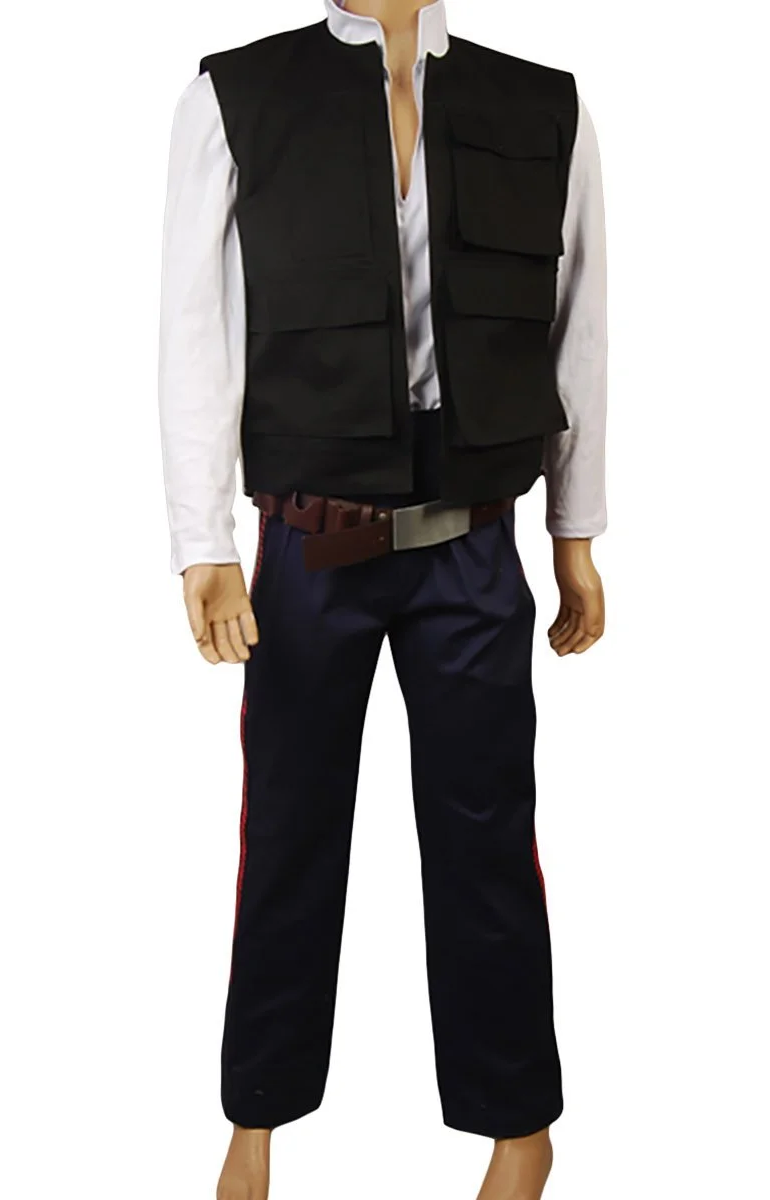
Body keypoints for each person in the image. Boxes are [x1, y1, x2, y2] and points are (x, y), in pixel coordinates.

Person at [158, 1, 607, 1195]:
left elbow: (579, 328)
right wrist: (202, 541)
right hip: (310, 544)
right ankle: (257, 1114)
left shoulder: (543, 104)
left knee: (485, 832)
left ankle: (520, 1124)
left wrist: (574, 529)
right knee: (288, 829)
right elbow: (193, 327)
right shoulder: (234, 95)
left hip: (474, 540)